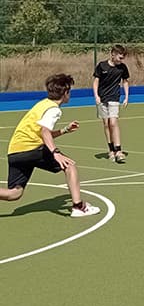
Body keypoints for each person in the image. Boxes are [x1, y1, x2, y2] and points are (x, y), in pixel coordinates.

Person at [0, 74, 100, 217]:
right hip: (31, 149)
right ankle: (78, 207)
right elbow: (44, 131)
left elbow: (40, 132)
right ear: (65, 93)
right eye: (69, 91)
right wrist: (55, 152)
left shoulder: (42, 104)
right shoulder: (54, 109)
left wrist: (64, 130)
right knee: (69, 166)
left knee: (14, 193)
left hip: (15, 152)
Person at [93, 44, 130, 163]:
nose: (121, 60)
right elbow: (95, 82)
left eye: (123, 58)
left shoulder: (122, 68)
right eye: (120, 57)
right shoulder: (101, 66)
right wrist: (96, 96)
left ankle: (118, 150)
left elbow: (125, 82)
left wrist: (126, 97)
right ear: (113, 54)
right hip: (102, 98)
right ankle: (111, 150)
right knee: (106, 124)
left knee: (113, 122)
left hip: (114, 97)